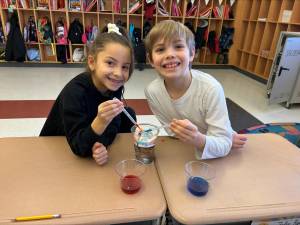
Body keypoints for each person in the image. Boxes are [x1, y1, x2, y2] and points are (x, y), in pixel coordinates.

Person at [144, 20, 247, 160]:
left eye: (178, 46)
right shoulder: (152, 92)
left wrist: (204, 139)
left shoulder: (210, 88)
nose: (169, 54)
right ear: (151, 60)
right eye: (161, 49)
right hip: (187, 149)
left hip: (214, 151)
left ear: (192, 53)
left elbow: (223, 143)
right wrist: (199, 139)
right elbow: (172, 132)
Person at [40, 23, 136, 165]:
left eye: (124, 67)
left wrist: (100, 144)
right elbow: (78, 147)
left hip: (89, 133)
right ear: (92, 62)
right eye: (110, 63)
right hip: (59, 145)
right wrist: (101, 122)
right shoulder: (74, 92)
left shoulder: (114, 85)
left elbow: (114, 121)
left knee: (128, 114)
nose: (118, 73)